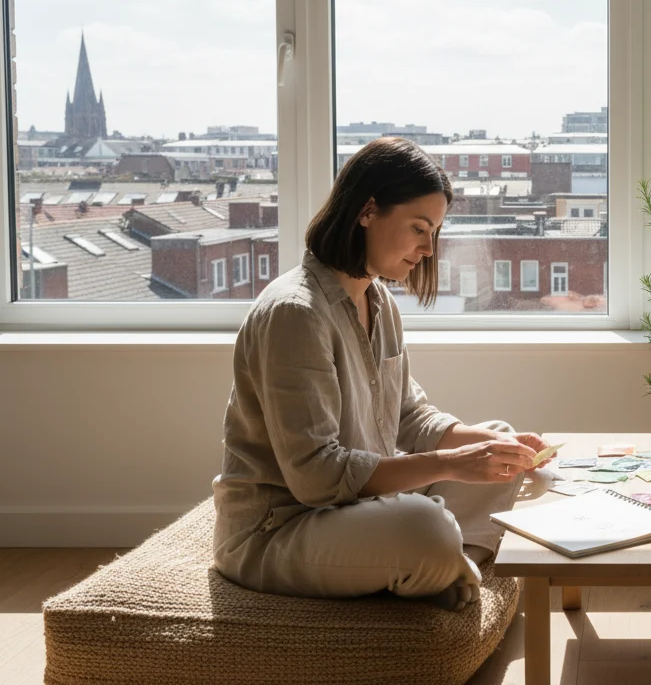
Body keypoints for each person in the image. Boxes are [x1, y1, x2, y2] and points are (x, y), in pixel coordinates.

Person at [211, 136, 552, 610]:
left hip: (355, 511)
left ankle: (456, 564)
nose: (428, 249)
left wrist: (484, 447)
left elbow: (409, 417)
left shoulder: (378, 301)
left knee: (500, 438)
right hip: (281, 530)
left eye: (433, 231)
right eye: (418, 228)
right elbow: (315, 479)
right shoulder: (295, 312)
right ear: (368, 210)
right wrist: (455, 464)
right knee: (425, 526)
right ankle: (443, 561)